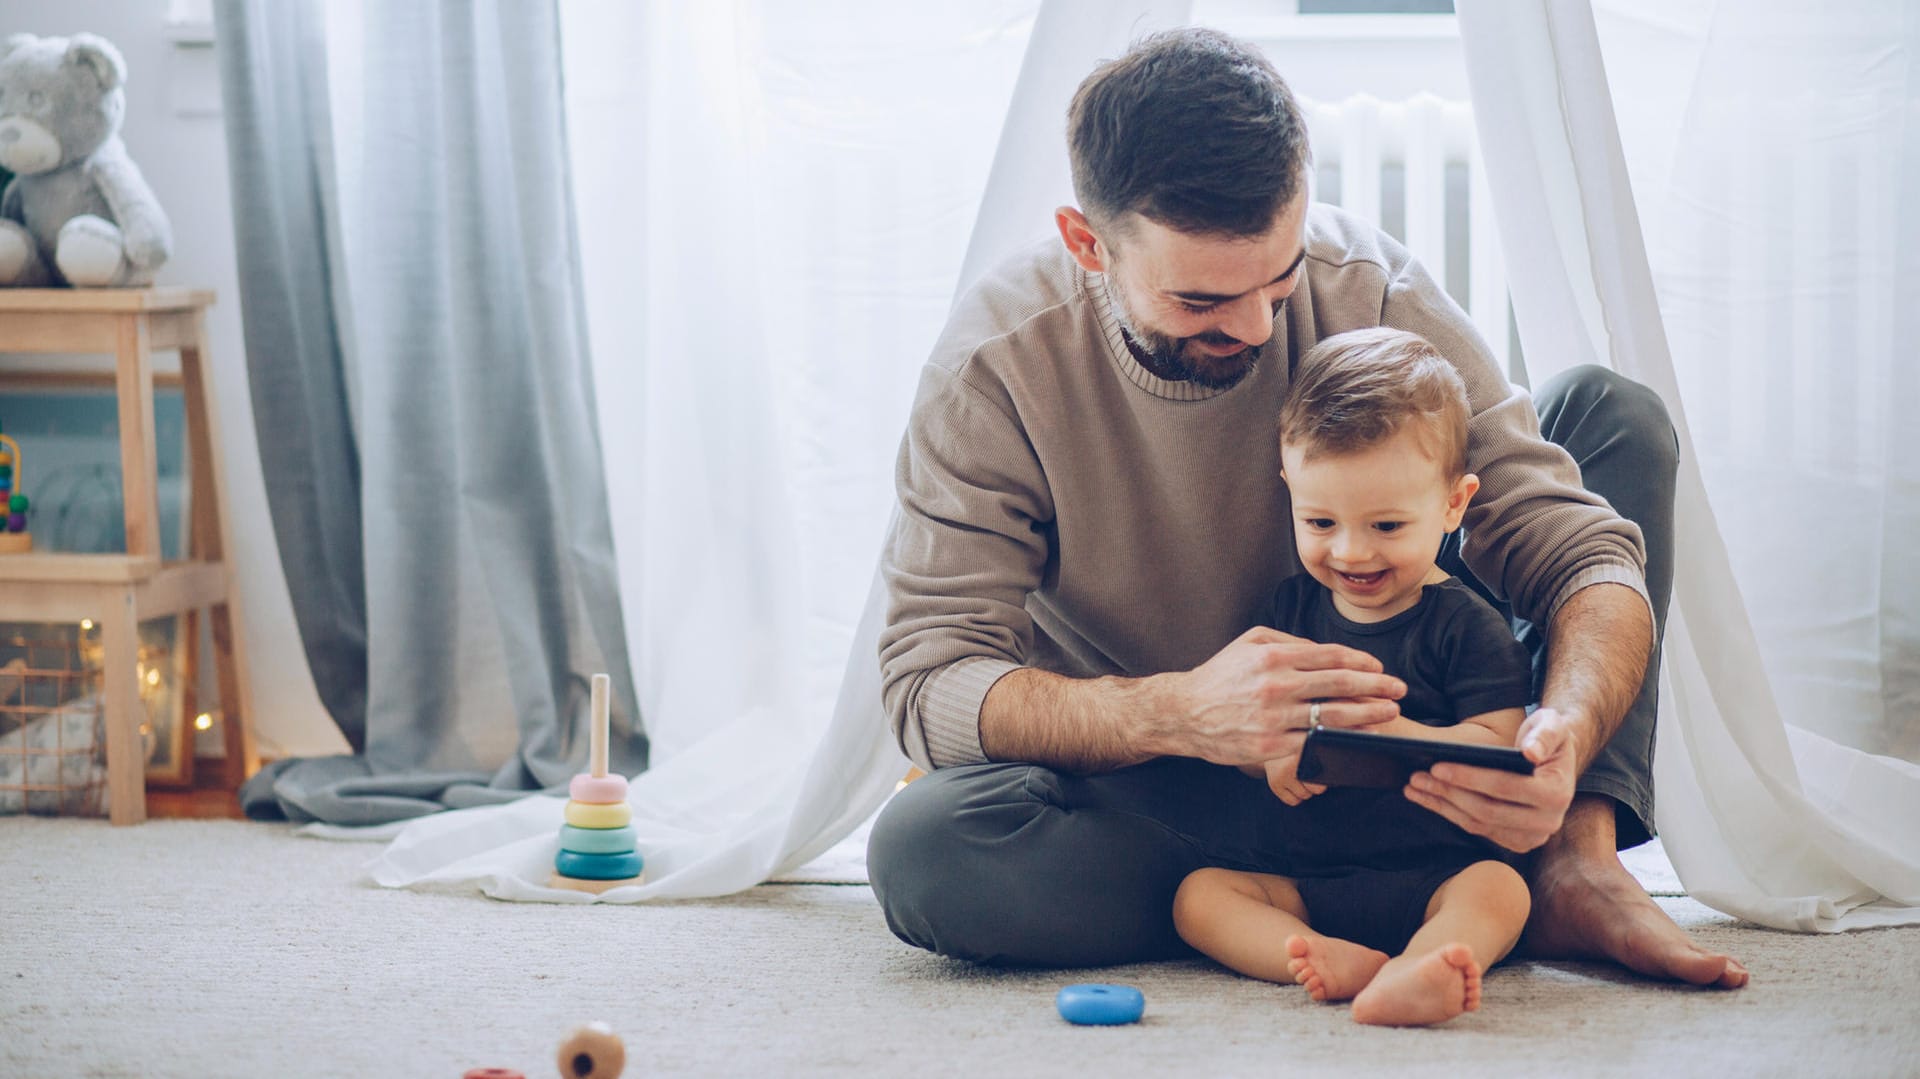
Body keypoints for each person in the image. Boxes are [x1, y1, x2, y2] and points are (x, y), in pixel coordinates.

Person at [868, 26, 1747, 989]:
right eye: (1202, 300)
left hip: (1427, 763)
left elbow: (1578, 554)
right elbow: (929, 678)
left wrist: (1564, 735)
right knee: (927, 850)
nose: (1256, 327)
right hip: (1187, 791)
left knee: (1613, 417)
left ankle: (1570, 857)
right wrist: (1181, 712)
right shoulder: (995, 368)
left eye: (1279, 280)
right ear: (1089, 243)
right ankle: (1342, 896)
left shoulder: (1370, 289)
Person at [1172, 327, 1535, 1027]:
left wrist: (1402, 737)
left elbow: (1503, 748)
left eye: (1388, 525)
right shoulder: (1290, 611)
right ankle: (1329, 957)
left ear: (1454, 504)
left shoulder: (1466, 625)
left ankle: (1426, 963)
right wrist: (1269, 756)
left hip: (1437, 870)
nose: (1350, 550)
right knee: (1199, 896)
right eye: (1320, 520)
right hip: (1308, 878)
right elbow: (1251, 723)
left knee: (1502, 892)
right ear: (1289, 489)